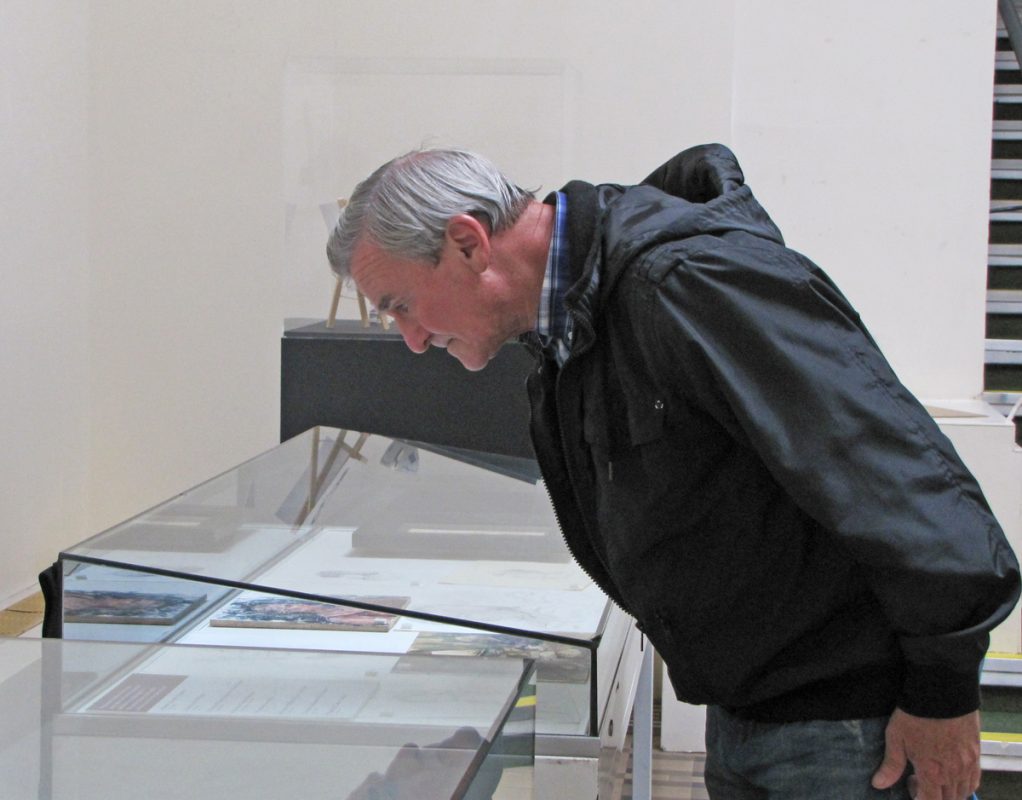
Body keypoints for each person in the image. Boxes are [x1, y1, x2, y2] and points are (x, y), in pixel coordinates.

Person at [326, 144, 1021, 799]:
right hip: (751, 708)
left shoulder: (683, 284)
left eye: (402, 307)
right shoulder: (575, 328)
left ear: (468, 243)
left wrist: (942, 686)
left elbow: (890, 469)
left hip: (853, 722)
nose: (413, 340)